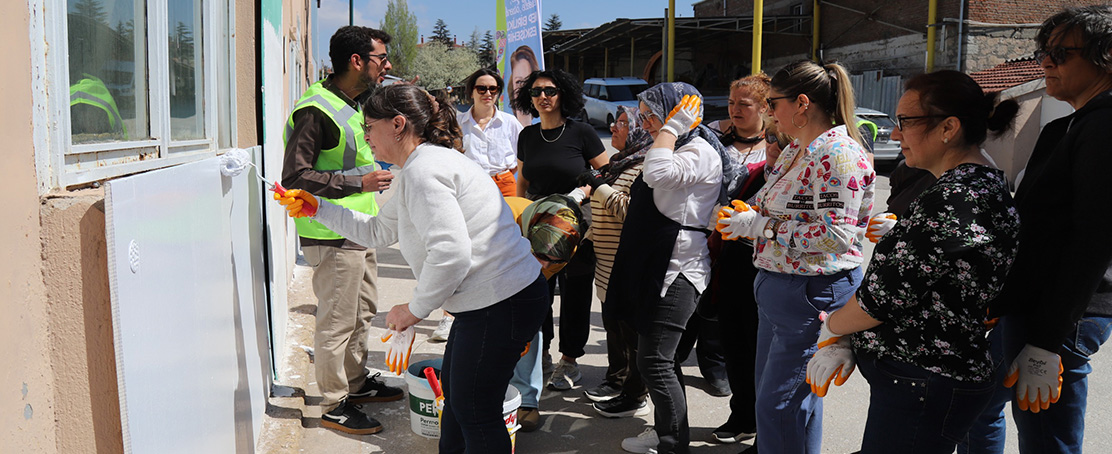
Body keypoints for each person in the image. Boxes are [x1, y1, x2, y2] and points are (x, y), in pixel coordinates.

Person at [276, 84, 548, 453]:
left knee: (474, 411)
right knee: (459, 403)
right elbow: (377, 230)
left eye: (370, 126)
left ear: (398, 124)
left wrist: (413, 309)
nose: (367, 136)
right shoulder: (418, 169)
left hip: (501, 303)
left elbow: (451, 254)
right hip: (491, 304)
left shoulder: (425, 172)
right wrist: (316, 208)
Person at [807, 70, 1021, 454]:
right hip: (928, 377)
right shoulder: (978, 184)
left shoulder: (955, 196)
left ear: (948, 128)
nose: (894, 134)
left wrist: (832, 330)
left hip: (923, 380)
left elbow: (882, 299)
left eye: (905, 122)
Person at [716, 60, 874, 454]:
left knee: (778, 406)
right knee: (787, 402)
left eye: (773, 103)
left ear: (802, 104)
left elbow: (836, 235)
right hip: (783, 286)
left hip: (809, 290)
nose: (769, 111)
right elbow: (780, 209)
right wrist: (747, 219)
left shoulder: (837, 154)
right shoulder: (799, 150)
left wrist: (763, 228)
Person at [976, 6, 1112, 453]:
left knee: (1047, 442)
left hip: (1060, 315)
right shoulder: (1073, 124)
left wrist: (1047, 340)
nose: (1045, 63)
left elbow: (1094, 237)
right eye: (1043, 51)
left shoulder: (1105, 124)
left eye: (1060, 52)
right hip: (1037, 308)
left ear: (1106, 57)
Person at [280, 25, 402, 435]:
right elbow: (294, 175)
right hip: (331, 233)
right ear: (356, 61)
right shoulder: (315, 110)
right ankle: (333, 404)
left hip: (359, 229)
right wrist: (357, 183)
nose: (386, 65)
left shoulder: (349, 102)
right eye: (381, 58)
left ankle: (354, 383)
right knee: (336, 321)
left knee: (363, 312)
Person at [607, 83, 726, 454]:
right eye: (642, 115)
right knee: (661, 358)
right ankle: (666, 434)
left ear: (681, 112)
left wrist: (670, 129)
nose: (646, 122)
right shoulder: (677, 146)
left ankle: (673, 444)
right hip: (659, 264)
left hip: (680, 270)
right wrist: (668, 132)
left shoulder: (699, 151)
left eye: (652, 113)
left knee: (655, 361)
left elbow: (657, 175)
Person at [512, 68, 608, 391]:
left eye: (550, 91)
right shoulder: (527, 136)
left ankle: (570, 360)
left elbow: (605, 173)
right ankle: (542, 356)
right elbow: (522, 184)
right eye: (536, 92)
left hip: (576, 228)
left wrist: (583, 194)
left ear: (562, 95)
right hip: (537, 229)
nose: (543, 97)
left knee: (576, 295)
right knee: (537, 293)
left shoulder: (581, 133)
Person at [700, 73, 779, 447]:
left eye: (743, 104)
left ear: (767, 110)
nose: (734, 111)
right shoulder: (717, 141)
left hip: (765, 271)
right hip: (731, 264)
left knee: (758, 352)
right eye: (731, 103)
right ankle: (743, 414)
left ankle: (760, 422)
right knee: (735, 345)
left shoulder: (789, 168)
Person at [576, 106, 654, 417]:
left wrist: (599, 186)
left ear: (638, 130)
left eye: (623, 123)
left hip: (627, 262)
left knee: (629, 328)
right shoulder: (621, 163)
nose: (615, 127)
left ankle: (637, 393)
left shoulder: (646, 166)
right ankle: (617, 379)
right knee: (614, 324)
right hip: (607, 261)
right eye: (615, 122)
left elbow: (631, 212)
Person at [458, 68, 523, 198]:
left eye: (493, 89)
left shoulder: (510, 122)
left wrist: (504, 175)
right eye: (481, 89)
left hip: (504, 186)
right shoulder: (457, 123)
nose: (488, 93)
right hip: (470, 186)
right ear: (471, 92)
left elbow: (522, 155)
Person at [708, 73, 772, 166]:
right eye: (731, 103)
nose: (735, 109)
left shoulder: (774, 142)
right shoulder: (713, 132)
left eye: (744, 104)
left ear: (763, 106)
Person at [508, 45, 540, 127]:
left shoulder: (544, 129)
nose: (523, 87)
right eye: (518, 82)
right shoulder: (505, 128)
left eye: (528, 81)